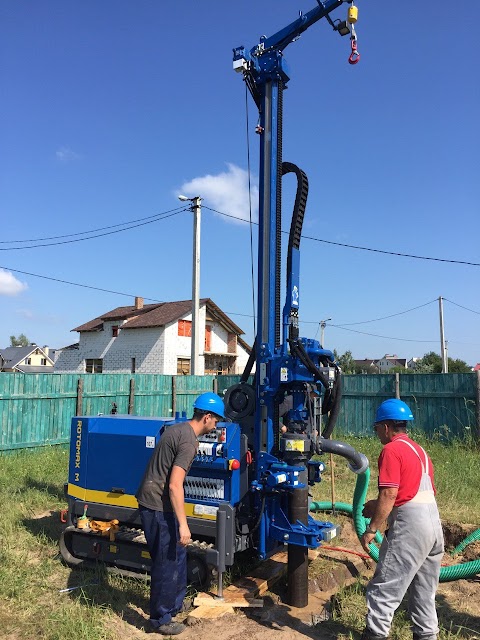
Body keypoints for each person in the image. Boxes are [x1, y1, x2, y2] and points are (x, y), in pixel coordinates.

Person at [136, 392, 225, 636]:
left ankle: (174, 604)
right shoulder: (188, 442)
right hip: (156, 505)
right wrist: (184, 525)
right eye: (216, 421)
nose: (216, 425)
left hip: (159, 501)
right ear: (207, 417)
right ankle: (160, 619)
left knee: (178, 554)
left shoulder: (178, 430)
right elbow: (175, 485)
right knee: (165, 562)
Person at [360, 399, 444, 640]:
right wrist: (377, 507)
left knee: (384, 589)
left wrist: (372, 529)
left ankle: (375, 635)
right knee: (424, 592)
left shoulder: (391, 450)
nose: (377, 433)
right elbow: (412, 492)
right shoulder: (419, 450)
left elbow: (390, 493)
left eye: (377, 428)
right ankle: (427, 635)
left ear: (386, 427)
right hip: (433, 525)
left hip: (411, 528)